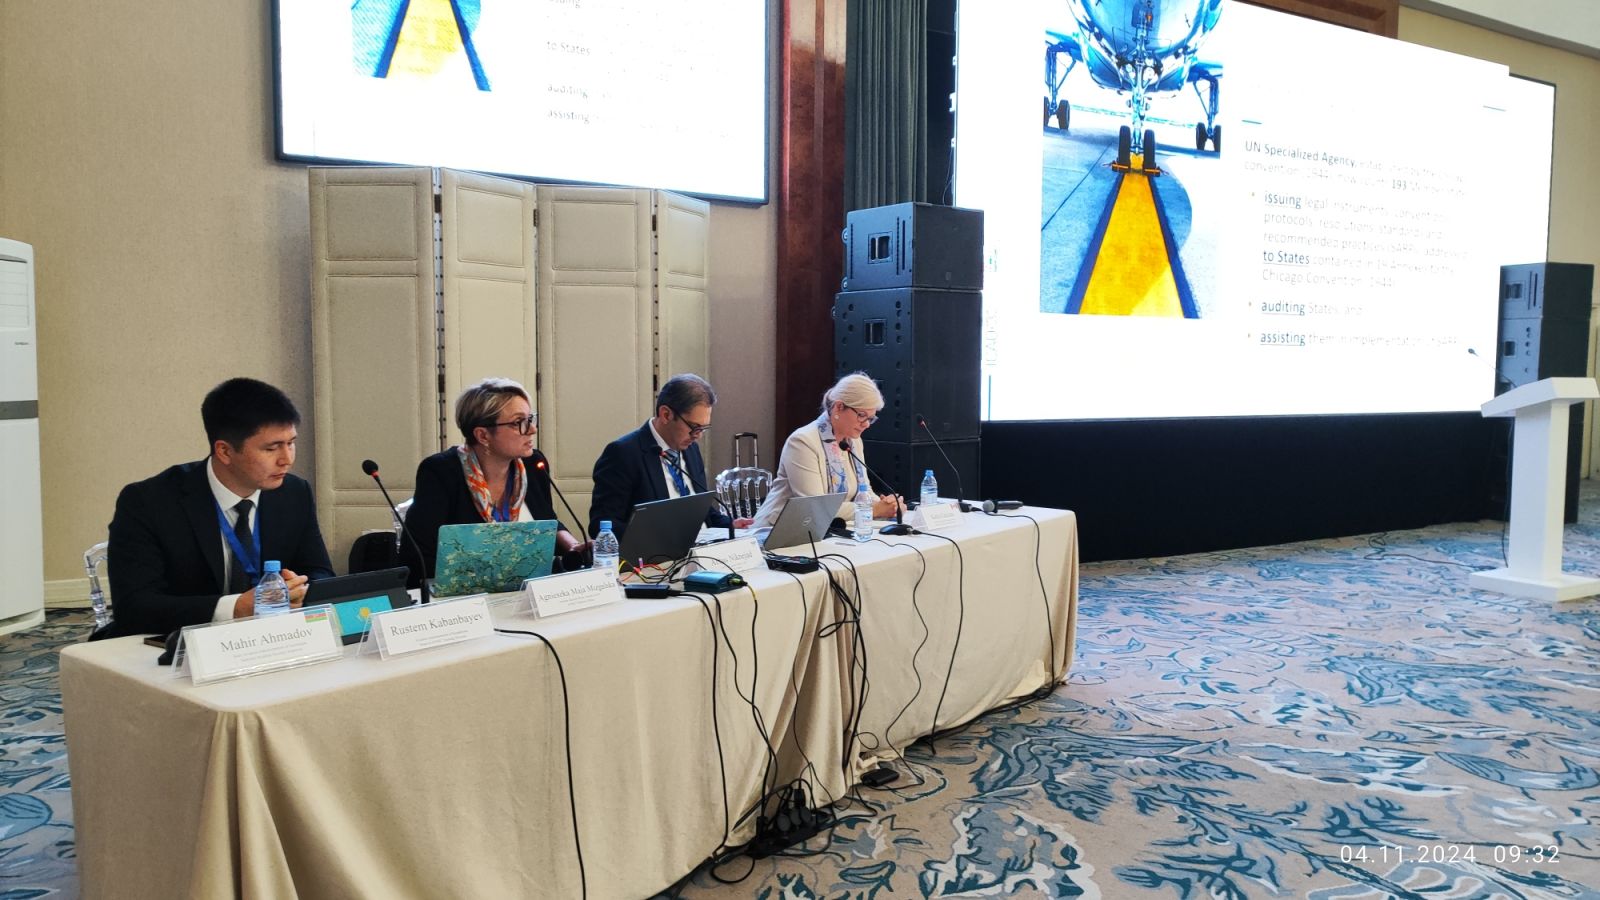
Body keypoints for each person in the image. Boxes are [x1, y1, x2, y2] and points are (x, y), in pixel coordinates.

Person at [103, 378, 335, 639]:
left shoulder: (294, 493)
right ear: (224, 451)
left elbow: (321, 573)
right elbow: (134, 607)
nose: (287, 459)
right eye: (271, 448)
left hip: (272, 640)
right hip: (174, 644)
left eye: (290, 443)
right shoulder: (149, 502)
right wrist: (235, 608)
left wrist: (300, 589)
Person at [401, 378, 589, 585]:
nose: (532, 429)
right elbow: (419, 557)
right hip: (463, 594)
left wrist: (573, 546)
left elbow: (546, 522)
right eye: (518, 422)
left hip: (527, 589)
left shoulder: (533, 464)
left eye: (530, 419)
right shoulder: (441, 471)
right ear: (483, 435)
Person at [588, 373, 751, 539]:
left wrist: (730, 525)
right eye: (694, 427)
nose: (698, 436)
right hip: (657, 552)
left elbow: (701, 511)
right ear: (666, 414)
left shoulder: (691, 449)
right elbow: (601, 525)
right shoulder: (623, 453)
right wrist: (658, 538)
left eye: (703, 428)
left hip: (703, 547)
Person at [752, 371, 905, 528]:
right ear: (839, 407)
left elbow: (864, 491)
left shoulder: (854, 441)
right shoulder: (802, 442)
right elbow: (816, 506)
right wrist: (874, 509)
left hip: (825, 529)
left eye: (871, 418)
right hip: (775, 531)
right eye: (861, 415)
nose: (866, 424)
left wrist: (889, 505)